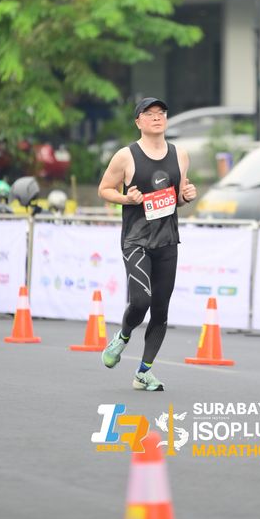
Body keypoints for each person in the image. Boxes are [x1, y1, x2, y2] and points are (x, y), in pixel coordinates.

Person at [98, 97, 197, 391]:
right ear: (138, 121)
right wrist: (126, 198)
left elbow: (177, 197)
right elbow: (104, 189)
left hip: (167, 240)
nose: (156, 117)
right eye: (149, 113)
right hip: (136, 240)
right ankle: (123, 336)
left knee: (161, 310)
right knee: (141, 301)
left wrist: (186, 196)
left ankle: (144, 372)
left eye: (161, 112)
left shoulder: (180, 155)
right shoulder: (125, 156)